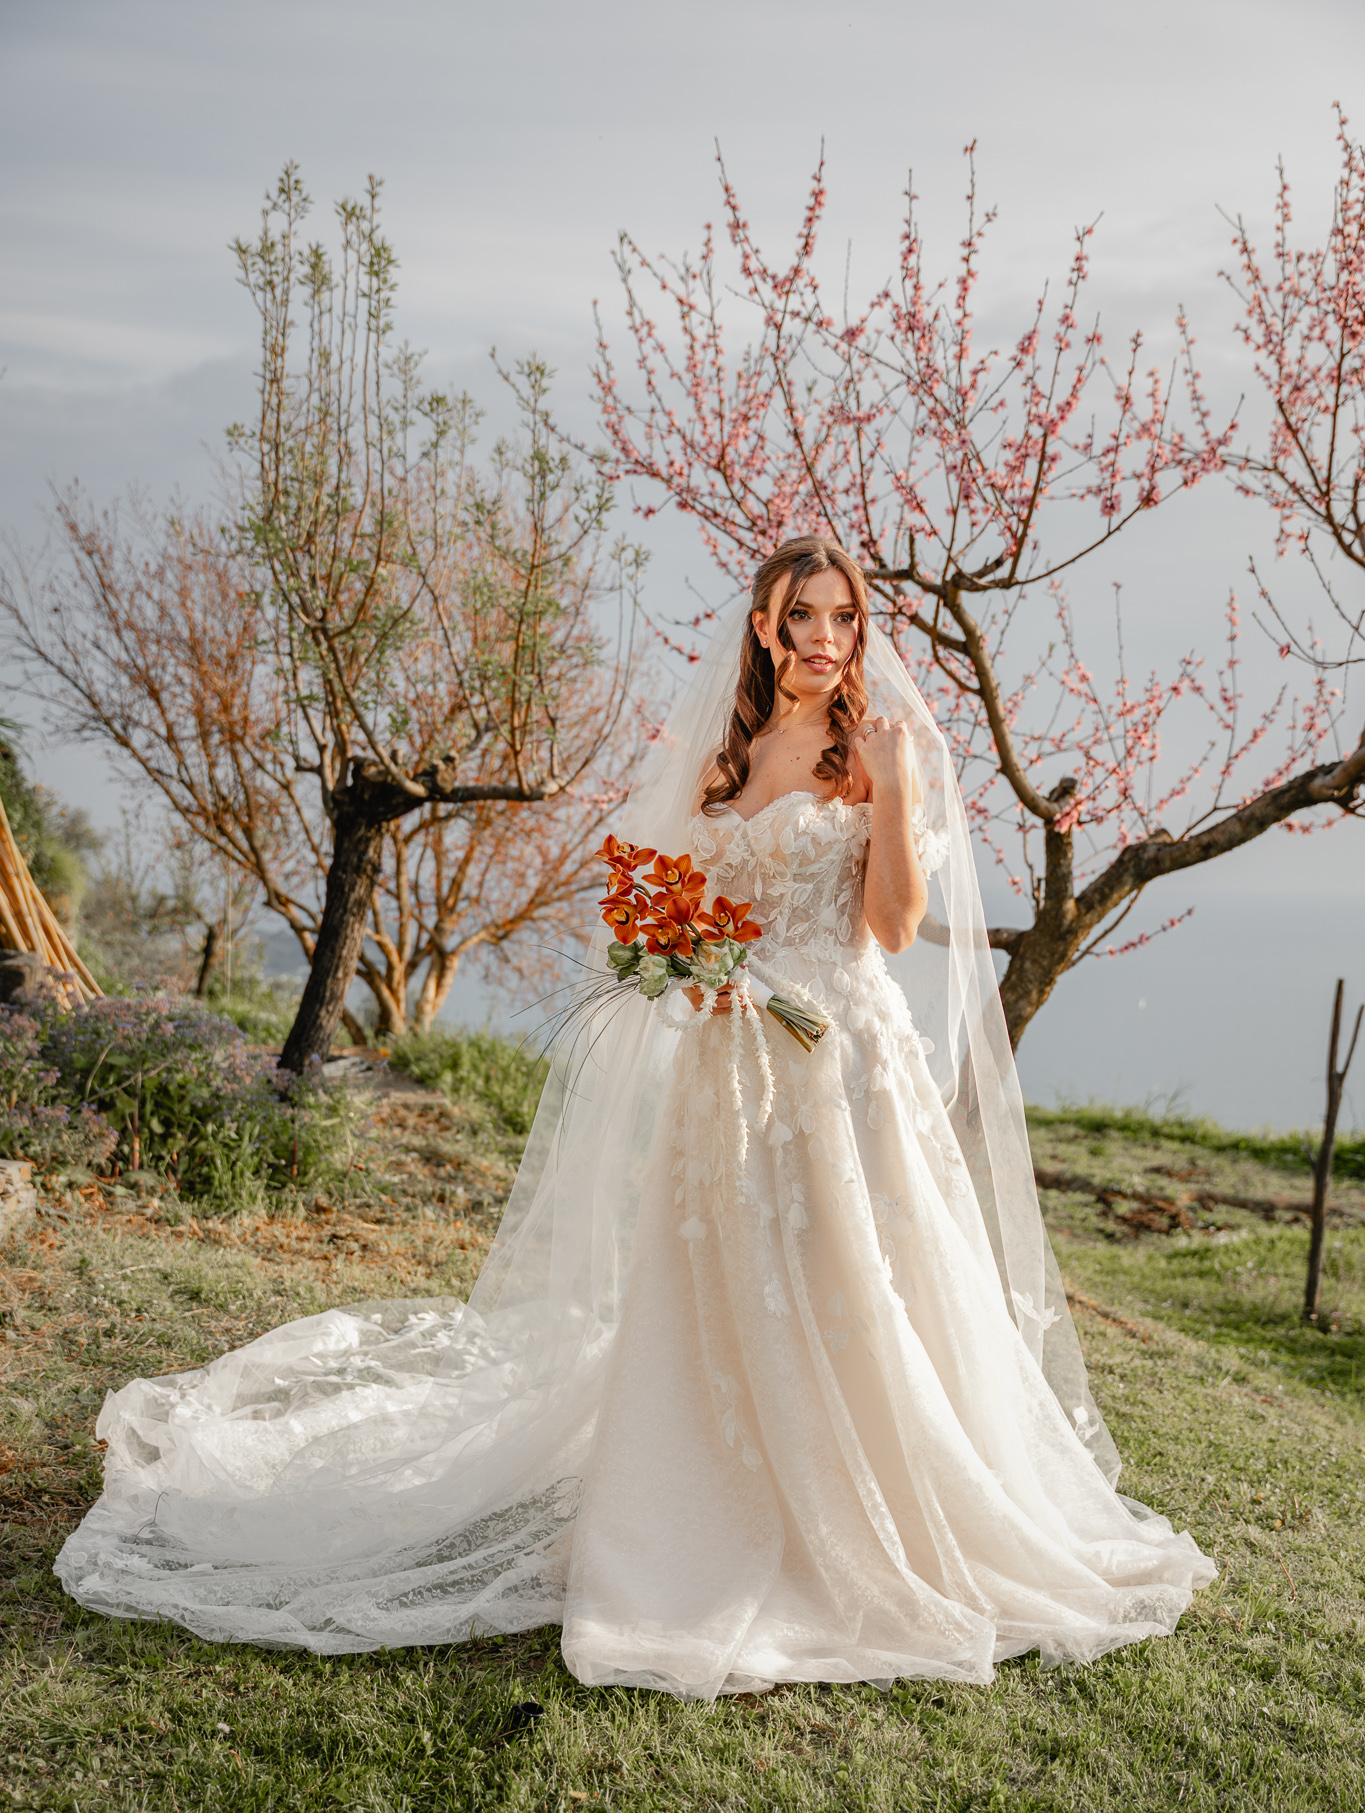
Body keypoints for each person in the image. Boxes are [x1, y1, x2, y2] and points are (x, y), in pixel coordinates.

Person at [57, 535, 1214, 1697]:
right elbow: (684, 899)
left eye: (842, 619)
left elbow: (897, 927)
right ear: (764, 626)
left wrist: (902, 787)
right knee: (725, 1279)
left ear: (860, 633)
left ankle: (861, 1510)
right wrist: (694, 960)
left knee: (854, 1281)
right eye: (800, 616)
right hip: (726, 1061)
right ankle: (700, 1496)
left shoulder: (879, 748)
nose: (822, 638)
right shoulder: (730, 753)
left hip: (840, 1058)